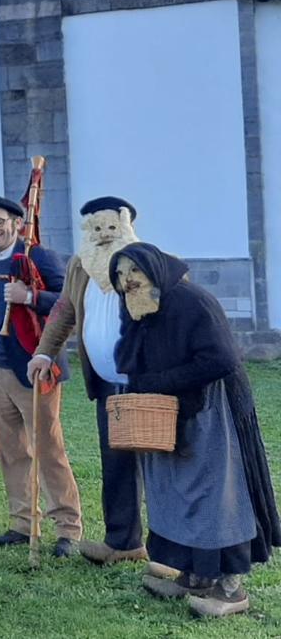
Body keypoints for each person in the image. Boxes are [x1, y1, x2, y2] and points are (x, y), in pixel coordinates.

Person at [110, 243, 280, 618]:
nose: (127, 282)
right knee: (174, 492)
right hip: (168, 412)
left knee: (217, 495)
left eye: (133, 272)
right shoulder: (139, 306)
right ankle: (195, 576)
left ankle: (232, 589)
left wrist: (159, 381)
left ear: (153, 269)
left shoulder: (192, 301)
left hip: (210, 409)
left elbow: (221, 359)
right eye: (120, 275)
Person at [27, 197, 147, 565]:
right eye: (96, 228)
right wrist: (45, 352)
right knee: (115, 463)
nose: (103, 235)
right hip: (108, 385)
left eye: (111, 227)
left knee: (159, 464)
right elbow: (64, 310)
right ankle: (122, 542)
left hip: (147, 381)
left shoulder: (147, 261)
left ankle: (174, 551)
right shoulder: (80, 266)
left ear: (126, 226)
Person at [0, 197, 80, 556]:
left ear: (17, 223)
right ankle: (22, 521)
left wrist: (29, 295)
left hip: (35, 368)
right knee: (10, 450)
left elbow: (68, 303)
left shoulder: (38, 257)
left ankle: (67, 528)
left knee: (48, 449)